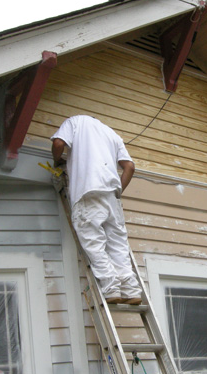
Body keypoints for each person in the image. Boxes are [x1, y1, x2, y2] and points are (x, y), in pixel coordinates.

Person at [51, 115, 143, 305]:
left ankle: (111, 288)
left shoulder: (75, 122)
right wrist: (117, 194)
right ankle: (132, 290)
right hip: (112, 195)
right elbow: (130, 167)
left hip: (88, 190)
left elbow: (59, 143)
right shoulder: (112, 135)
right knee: (118, 245)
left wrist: (57, 161)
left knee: (94, 241)